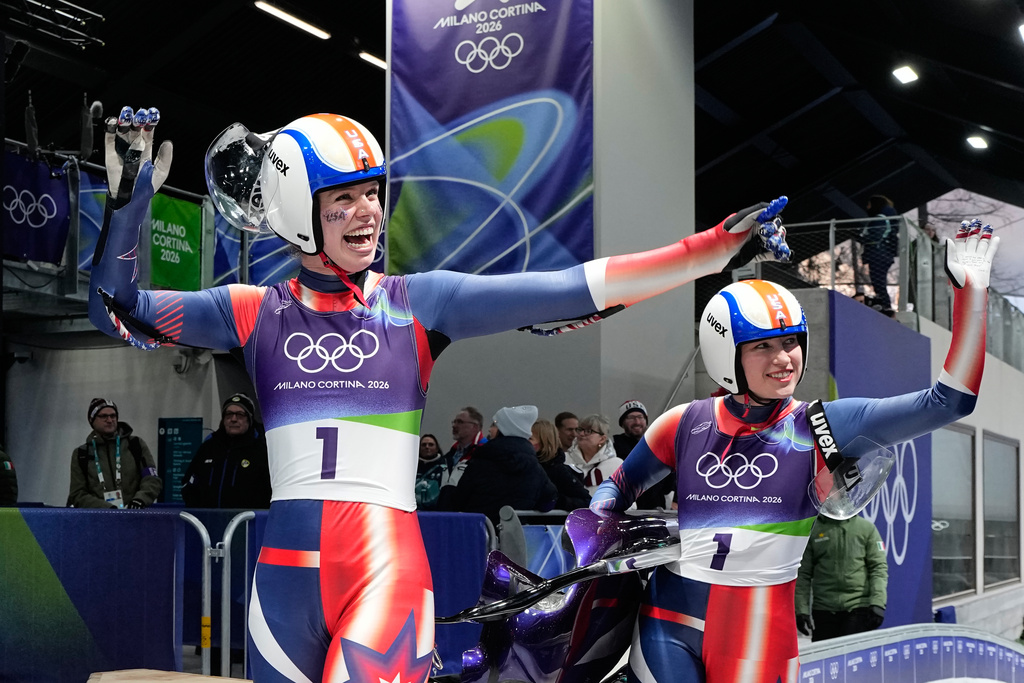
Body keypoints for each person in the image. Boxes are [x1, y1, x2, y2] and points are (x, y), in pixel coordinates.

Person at [88, 107, 786, 682]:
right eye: (345, 197)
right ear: (300, 212)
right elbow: (115, 307)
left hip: (383, 570)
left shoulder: (418, 304)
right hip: (282, 584)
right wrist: (127, 206)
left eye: (372, 190)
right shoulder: (251, 309)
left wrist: (705, 252)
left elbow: (577, 285)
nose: (369, 211)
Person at [591, 221, 998, 683]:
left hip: (757, 631)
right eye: (763, 346)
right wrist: (597, 518)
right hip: (665, 619)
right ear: (725, 353)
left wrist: (972, 296)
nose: (784, 359)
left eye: (791, 342)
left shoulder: (821, 424)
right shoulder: (682, 421)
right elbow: (620, 484)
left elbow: (948, 401)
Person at [450, 405, 557, 523]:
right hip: (513, 535)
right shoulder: (535, 467)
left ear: (504, 429)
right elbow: (548, 501)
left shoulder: (482, 460)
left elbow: (458, 500)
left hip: (479, 533)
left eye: (495, 424)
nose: (490, 430)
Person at [795, 514, 888, 641]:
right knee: (825, 658)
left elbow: (878, 568)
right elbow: (803, 574)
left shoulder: (866, 528)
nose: (834, 495)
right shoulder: (814, 530)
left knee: (853, 658)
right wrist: (801, 610)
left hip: (858, 606)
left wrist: (878, 603)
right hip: (823, 609)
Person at [181, 393, 271, 509]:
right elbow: (188, 482)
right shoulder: (209, 447)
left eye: (240, 415)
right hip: (206, 522)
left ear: (249, 419)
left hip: (248, 523)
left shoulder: (261, 449)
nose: (233, 419)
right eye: (229, 414)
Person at [68, 398, 162, 509]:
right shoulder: (81, 454)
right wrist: (108, 509)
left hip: (135, 515)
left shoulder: (135, 445)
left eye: (113, 416)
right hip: (99, 520)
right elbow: (77, 494)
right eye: (103, 416)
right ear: (91, 420)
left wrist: (140, 499)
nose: (109, 420)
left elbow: (152, 479)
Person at [613, 400, 675, 510]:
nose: (637, 421)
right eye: (631, 418)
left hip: (657, 509)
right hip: (627, 509)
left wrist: (675, 500)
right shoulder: (615, 444)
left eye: (640, 417)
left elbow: (673, 473)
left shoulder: (659, 442)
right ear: (622, 423)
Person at [531, 419, 591, 511]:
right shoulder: (526, 466)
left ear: (545, 441)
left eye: (530, 438)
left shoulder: (558, 471)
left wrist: (558, 502)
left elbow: (587, 501)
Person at [857, 194, 899, 312]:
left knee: (878, 282)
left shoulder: (879, 219)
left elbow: (875, 236)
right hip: (883, 254)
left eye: (869, 204)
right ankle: (884, 304)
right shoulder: (887, 219)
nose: (867, 207)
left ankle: (885, 306)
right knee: (879, 281)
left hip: (878, 254)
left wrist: (862, 237)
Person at [565, 414, 622, 494]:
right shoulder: (565, 460)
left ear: (602, 439)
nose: (581, 434)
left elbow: (628, 501)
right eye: (580, 429)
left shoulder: (615, 465)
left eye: (588, 431)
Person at [414, 434, 444, 510]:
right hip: (414, 509)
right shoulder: (411, 466)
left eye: (431, 445)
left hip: (437, 510)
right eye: (424, 445)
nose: (427, 447)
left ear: (437, 448)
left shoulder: (445, 466)